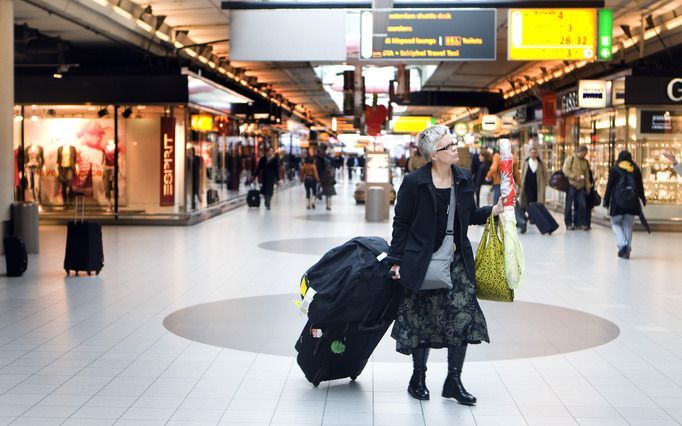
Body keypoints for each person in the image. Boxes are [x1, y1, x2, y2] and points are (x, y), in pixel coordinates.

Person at [388, 125, 504, 405]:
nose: (456, 149)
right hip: (421, 261)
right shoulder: (414, 183)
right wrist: (395, 261)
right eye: (449, 146)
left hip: (457, 260)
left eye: (455, 143)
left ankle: (454, 380)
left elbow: (470, 215)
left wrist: (494, 211)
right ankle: (418, 377)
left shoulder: (463, 179)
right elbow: (401, 223)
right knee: (422, 320)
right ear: (434, 154)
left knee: (462, 319)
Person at [603, 151, 646, 259]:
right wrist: (642, 198)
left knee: (615, 224)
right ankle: (627, 249)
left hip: (617, 202)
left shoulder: (615, 169)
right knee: (628, 226)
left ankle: (623, 244)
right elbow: (640, 186)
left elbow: (610, 186)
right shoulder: (635, 169)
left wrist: (606, 200)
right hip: (632, 202)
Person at [562, 145, 592, 230]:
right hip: (571, 185)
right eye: (585, 153)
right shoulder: (570, 159)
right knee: (569, 205)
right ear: (581, 152)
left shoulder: (585, 162)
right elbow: (565, 170)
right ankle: (568, 223)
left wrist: (587, 186)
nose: (585, 155)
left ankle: (579, 223)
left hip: (581, 187)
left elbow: (586, 175)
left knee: (582, 204)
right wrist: (574, 176)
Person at [519, 146, 548, 212]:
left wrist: (545, 182)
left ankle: (534, 215)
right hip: (527, 186)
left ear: (536, 154)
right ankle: (530, 214)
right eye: (532, 152)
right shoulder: (525, 162)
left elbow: (545, 173)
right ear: (529, 153)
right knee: (528, 200)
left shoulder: (541, 163)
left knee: (536, 200)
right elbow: (522, 174)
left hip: (537, 186)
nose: (533, 154)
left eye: (534, 153)